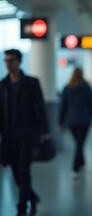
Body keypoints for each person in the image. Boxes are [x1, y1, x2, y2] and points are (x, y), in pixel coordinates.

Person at [0, 49, 51, 216]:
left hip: (27, 135)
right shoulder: (3, 85)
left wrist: (45, 131)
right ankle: (33, 197)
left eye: (11, 60)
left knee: (24, 171)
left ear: (19, 62)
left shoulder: (31, 83)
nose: (8, 63)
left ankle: (22, 208)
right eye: (6, 60)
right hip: (9, 137)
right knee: (15, 174)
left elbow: (41, 109)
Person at [59, 67, 92, 179]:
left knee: (79, 143)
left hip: (71, 121)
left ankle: (81, 162)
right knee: (80, 144)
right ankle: (75, 168)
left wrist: (60, 121)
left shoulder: (67, 88)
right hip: (84, 120)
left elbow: (63, 106)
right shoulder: (87, 88)